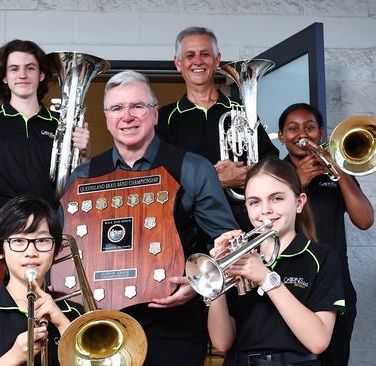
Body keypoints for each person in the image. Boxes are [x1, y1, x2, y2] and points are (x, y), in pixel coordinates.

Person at [67, 70, 238, 365]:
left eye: (137, 106)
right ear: (107, 117)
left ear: (155, 114)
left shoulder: (193, 169)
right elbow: (66, 251)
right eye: (117, 108)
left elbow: (229, 242)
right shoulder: (83, 177)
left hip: (174, 328)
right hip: (102, 328)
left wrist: (198, 285)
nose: (127, 116)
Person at [207, 157, 345, 366]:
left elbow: (318, 341)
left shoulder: (322, 257)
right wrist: (216, 274)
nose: (265, 210)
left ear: (299, 203)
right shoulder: (240, 257)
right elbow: (222, 342)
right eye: (254, 202)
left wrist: (266, 278)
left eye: (277, 198)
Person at [277, 103, 373, 366]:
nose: (301, 134)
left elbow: (365, 220)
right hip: (291, 284)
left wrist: (336, 168)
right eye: (293, 128)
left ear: (320, 132)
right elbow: (267, 222)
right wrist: (298, 180)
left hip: (336, 284)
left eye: (309, 127)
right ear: (282, 135)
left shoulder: (336, 171)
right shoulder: (274, 172)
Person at [156, 26, 278, 231]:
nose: (198, 61)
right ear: (178, 63)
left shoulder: (241, 110)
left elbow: (271, 162)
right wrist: (214, 181)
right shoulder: (163, 118)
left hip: (243, 223)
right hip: (188, 228)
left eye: (205, 54)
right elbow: (160, 180)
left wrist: (247, 175)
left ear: (217, 59)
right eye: (189, 55)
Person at [0, 195, 82, 366]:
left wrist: (63, 324)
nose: (31, 251)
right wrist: (13, 357)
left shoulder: (74, 312)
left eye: (42, 240)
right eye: (19, 241)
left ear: (56, 249)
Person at [0, 39, 90, 208]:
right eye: (14, 69)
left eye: (30, 68)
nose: (22, 75)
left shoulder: (62, 124)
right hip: (4, 225)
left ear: (41, 75)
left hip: (51, 226)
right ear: (4, 77)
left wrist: (84, 154)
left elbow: (79, 182)